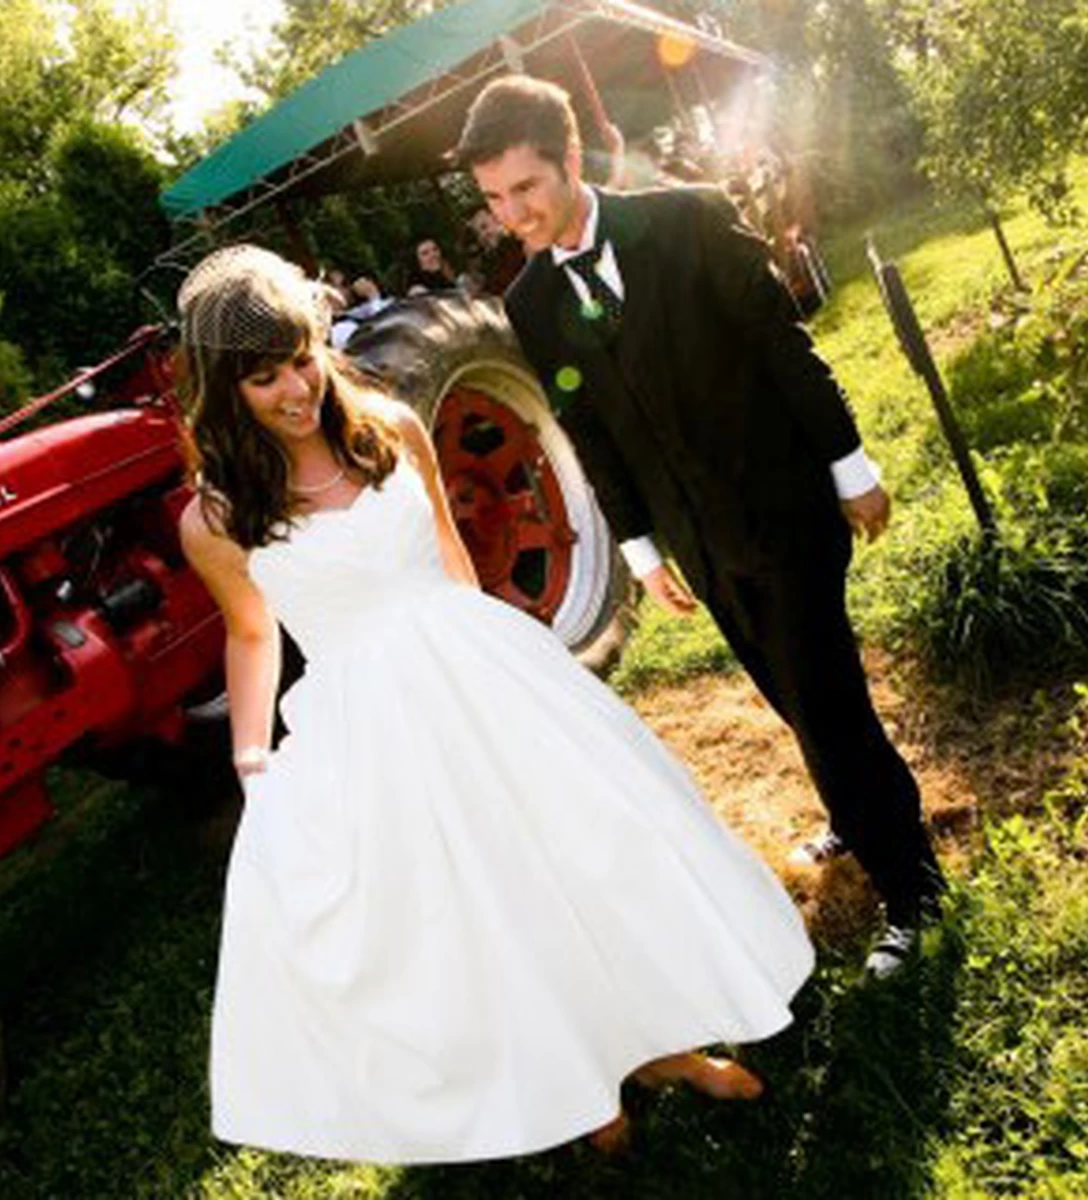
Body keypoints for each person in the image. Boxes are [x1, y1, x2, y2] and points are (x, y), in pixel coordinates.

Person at [177, 243, 813, 1164]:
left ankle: (664, 1048)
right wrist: (251, 759)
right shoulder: (218, 518)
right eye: (264, 377)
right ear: (224, 390)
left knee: (587, 856)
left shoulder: (392, 427)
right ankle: (577, 1087)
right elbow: (250, 632)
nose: (294, 388)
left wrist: (504, 662)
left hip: (482, 677)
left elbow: (452, 555)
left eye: (302, 358)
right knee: (480, 909)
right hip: (373, 727)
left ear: (323, 341)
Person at [458, 75, 945, 979]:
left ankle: (913, 891)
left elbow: (782, 345)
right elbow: (591, 432)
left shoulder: (686, 220)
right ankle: (853, 814)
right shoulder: (529, 303)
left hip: (786, 503)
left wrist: (852, 468)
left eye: (525, 187)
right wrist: (642, 550)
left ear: (569, 160)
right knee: (784, 687)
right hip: (697, 538)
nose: (512, 214)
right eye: (493, 199)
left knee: (829, 704)